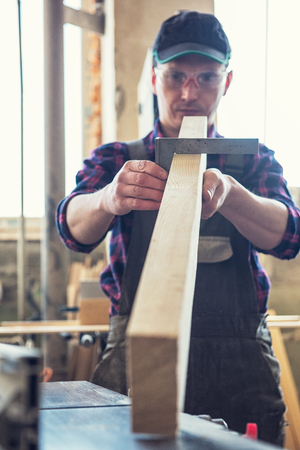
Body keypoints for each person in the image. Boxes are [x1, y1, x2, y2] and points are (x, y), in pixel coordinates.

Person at [56, 11, 300, 446]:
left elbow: (289, 237)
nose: (189, 93)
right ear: (153, 79)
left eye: (206, 77)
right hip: (136, 350)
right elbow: (72, 229)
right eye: (175, 77)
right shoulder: (116, 158)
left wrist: (233, 194)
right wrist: (109, 198)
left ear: (226, 82)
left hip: (239, 359)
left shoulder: (254, 160)